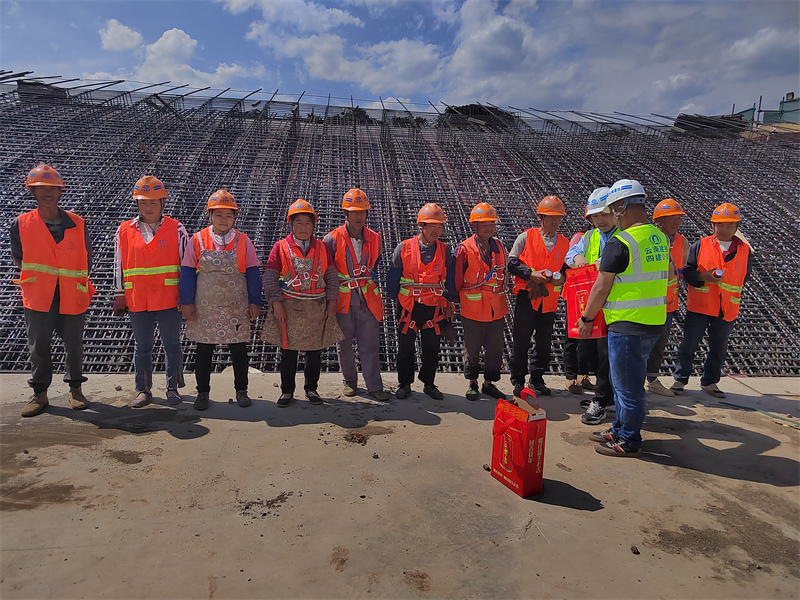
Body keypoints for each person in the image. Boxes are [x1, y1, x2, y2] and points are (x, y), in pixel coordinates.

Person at [577, 179, 669, 457]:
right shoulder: (659, 237)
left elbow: (601, 287)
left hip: (628, 323)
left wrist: (587, 317)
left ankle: (629, 440)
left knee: (627, 387)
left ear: (621, 207)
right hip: (653, 321)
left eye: (613, 210)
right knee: (625, 381)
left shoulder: (621, 242)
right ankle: (618, 428)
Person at [12, 164, 95, 417]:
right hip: (39, 294)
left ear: (60, 192)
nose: (47, 193)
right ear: (33, 192)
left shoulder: (78, 223)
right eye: (41, 189)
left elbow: (87, 257)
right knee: (39, 345)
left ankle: (76, 390)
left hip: (71, 292)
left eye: (52, 189)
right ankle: (40, 394)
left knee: (74, 343)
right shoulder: (22, 223)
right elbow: (19, 258)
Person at [179, 190, 263, 411]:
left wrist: (256, 301)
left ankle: (241, 390)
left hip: (236, 305)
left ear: (234, 217)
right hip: (205, 306)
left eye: (228, 215)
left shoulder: (244, 241)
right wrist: (186, 301)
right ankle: (202, 393)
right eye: (219, 214)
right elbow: (187, 271)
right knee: (204, 351)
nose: (223, 219)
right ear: (210, 215)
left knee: (239, 350)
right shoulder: (196, 240)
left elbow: (253, 273)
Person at [113, 175, 189, 408]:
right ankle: (143, 390)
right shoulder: (125, 229)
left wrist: (186, 296)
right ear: (137, 203)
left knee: (172, 344)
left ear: (163, 203)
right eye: (144, 202)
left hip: (169, 298)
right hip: (138, 298)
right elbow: (119, 263)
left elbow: (186, 264)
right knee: (142, 346)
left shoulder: (177, 229)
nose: (148, 206)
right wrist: (118, 293)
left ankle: (172, 387)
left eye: (153, 202)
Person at [262, 199, 342, 407]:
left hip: (316, 307)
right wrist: (276, 304)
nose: (304, 227)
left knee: (315, 352)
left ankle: (311, 388)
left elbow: (332, 277)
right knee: (288, 351)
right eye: (299, 223)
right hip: (289, 308)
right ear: (291, 224)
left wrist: (332, 302)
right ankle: (287, 391)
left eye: (308, 223)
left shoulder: (323, 248)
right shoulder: (280, 248)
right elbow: (270, 278)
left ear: (314, 225)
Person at [671, 203, 750, 399]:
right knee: (689, 344)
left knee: (719, 348)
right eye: (720, 225)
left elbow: (744, 276)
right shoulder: (701, 245)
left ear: (736, 226)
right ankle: (680, 379)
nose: (724, 229)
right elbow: (687, 272)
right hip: (700, 306)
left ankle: (710, 382)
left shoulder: (744, 251)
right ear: (713, 225)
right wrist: (703, 277)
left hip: (727, 309)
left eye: (729, 225)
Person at [323, 189, 389, 401]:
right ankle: (349, 382)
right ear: (346, 213)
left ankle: (374, 386)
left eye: (362, 212)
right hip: (343, 301)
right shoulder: (332, 240)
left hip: (366, 299)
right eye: (354, 212)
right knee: (344, 345)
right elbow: (327, 271)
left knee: (370, 344)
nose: (359, 216)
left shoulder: (376, 238)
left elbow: (375, 266)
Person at [387, 203, 456, 400]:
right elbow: (393, 280)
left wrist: (450, 302)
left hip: (434, 308)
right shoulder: (404, 248)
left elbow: (449, 281)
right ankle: (404, 383)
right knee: (406, 347)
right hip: (409, 306)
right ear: (421, 226)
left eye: (440, 226)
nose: (437, 230)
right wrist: (396, 303)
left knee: (432, 347)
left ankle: (429, 383)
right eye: (432, 225)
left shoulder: (445, 251)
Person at [565, 187, 617, 425]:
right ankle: (605, 396)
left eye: (604, 213)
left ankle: (603, 400)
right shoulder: (591, 237)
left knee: (609, 355)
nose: (599, 220)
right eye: (594, 216)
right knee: (596, 354)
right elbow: (572, 253)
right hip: (593, 304)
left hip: (617, 306)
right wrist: (576, 258)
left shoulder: (625, 236)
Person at [508, 195, 569, 398]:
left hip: (549, 300)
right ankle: (518, 379)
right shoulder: (526, 237)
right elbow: (512, 263)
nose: (555, 221)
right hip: (528, 297)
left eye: (558, 218)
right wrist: (530, 274)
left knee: (543, 343)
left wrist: (560, 278)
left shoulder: (564, 243)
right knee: (521, 341)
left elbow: (566, 270)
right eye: (551, 217)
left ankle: (537, 378)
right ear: (541, 217)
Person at [454, 202, 508, 401]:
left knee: (495, 349)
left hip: (496, 309)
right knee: (473, 348)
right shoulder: (464, 249)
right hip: (473, 309)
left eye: (491, 223)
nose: (489, 227)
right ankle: (473, 383)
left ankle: (488, 384)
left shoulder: (500, 247)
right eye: (484, 223)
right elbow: (457, 281)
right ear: (474, 225)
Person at [646, 199, 688, 397]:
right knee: (641, 344)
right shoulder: (648, 239)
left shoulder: (682, 242)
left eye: (679, 218)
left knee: (659, 344)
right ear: (659, 221)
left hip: (668, 304)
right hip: (646, 303)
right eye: (673, 218)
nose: (677, 223)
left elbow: (681, 271)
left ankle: (652, 379)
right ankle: (635, 380)